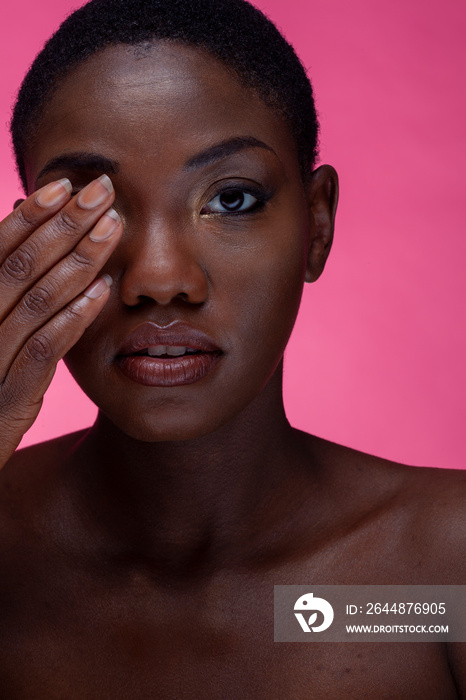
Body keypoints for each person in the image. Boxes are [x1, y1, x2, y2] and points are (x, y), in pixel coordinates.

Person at [0, 0, 464, 697]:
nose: (160, 279)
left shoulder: (435, 574)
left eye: (233, 200)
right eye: (91, 209)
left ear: (316, 224)